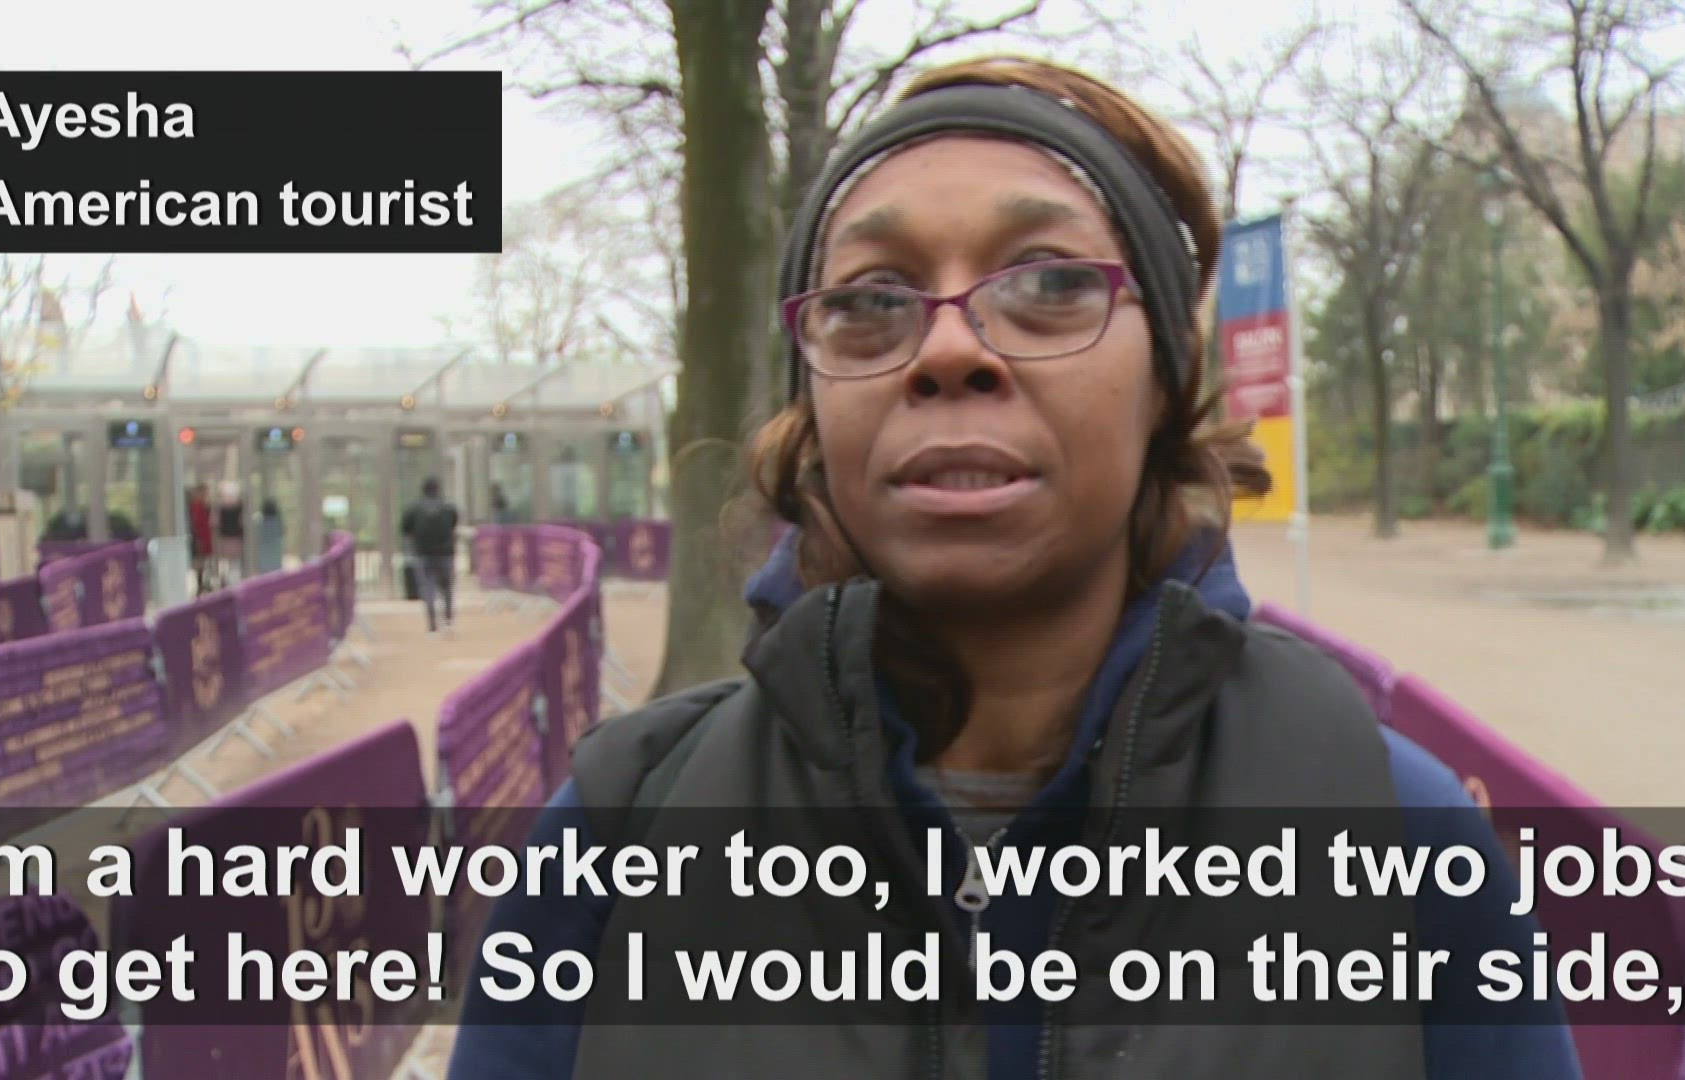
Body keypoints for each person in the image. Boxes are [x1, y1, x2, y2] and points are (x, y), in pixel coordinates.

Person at [448, 57, 1581, 1079]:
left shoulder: (1396, 831)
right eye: (871, 301)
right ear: (814, 402)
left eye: (1048, 283)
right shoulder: (615, 837)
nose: (949, 348)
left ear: (1164, 380)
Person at [401, 476, 459, 633]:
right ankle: (448, 619)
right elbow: (453, 524)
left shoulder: (414, 508)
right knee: (447, 587)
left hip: (423, 553)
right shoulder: (448, 507)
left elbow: (405, 529)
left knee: (428, 588)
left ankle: (432, 624)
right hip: (445, 552)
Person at [186, 483, 214, 595]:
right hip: (199, 538)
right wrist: (198, 539)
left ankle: (203, 583)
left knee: (203, 561)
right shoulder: (195, 507)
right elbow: (196, 524)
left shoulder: (203, 505)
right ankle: (199, 584)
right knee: (199, 562)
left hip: (205, 536)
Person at [254, 498, 284, 573]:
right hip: (275, 554)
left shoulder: (259, 522)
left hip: (263, 554)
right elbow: (282, 532)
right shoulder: (278, 521)